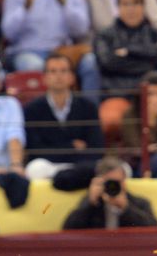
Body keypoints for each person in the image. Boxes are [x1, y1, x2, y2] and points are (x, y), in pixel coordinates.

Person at [0, 0, 98, 97]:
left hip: (62, 53)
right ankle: (44, 117)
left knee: (90, 62)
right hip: (26, 52)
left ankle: (89, 116)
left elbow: (81, 30)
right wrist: (27, 4)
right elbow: (9, 33)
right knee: (36, 67)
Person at [22, 52, 104, 180]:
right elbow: (35, 151)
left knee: (111, 168)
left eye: (63, 71)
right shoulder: (32, 109)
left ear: (72, 77)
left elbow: (96, 147)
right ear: (44, 77)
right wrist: (71, 146)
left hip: (82, 166)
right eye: (53, 71)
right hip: (49, 167)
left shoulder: (88, 107)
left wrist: (57, 148)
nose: (58, 76)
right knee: (35, 168)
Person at [93, 0, 157, 98]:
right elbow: (108, 62)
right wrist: (148, 60)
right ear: (118, 7)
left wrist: (129, 51)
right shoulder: (104, 35)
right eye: (125, 4)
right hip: (116, 93)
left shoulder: (154, 33)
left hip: (151, 96)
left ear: (143, 7)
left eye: (136, 3)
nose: (131, 9)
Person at [62, 154, 157, 228]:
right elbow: (68, 228)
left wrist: (126, 208)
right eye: (109, 183)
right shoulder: (92, 202)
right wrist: (90, 204)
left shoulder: (139, 203)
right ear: (100, 181)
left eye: (117, 182)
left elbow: (154, 230)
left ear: (124, 182)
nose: (113, 187)